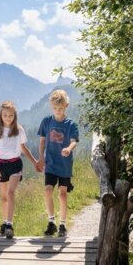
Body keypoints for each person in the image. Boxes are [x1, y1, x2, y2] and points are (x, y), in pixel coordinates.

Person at [0, 100, 41, 239]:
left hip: (16, 164)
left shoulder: (19, 130)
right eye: (5, 115)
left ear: (14, 115)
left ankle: (10, 224)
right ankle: (4, 223)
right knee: (3, 197)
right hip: (1, 165)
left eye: (11, 115)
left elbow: (24, 148)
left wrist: (35, 162)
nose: (8, 118)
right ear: (1, 115)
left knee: (10, 193)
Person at [37, 89, 80, 237]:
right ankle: (51, 222)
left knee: (62, 194)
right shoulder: (47, 121)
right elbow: (42, 140)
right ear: (51, 106)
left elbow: (74, 141)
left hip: (64, 165)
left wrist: (68, 148)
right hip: (50, 163)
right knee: (48, 190)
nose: (57, 111)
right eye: (55, 108)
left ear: (66, 106)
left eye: (60, 108)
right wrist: (40, 158)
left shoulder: (71, 125)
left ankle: (62, 224)